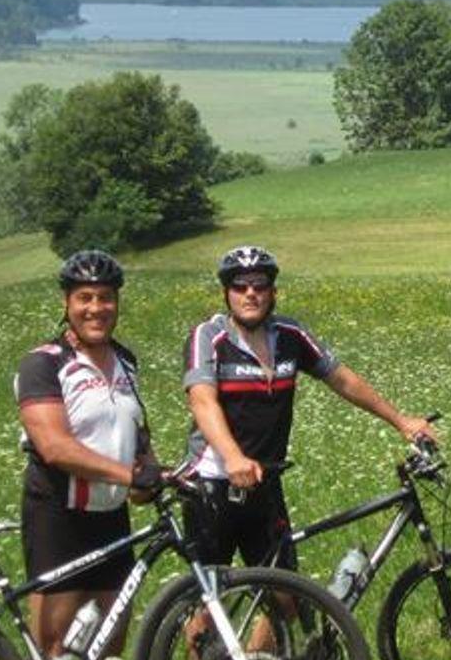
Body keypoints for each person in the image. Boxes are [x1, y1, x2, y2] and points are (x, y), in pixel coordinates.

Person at [180, 245, 433, 575]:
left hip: (264, 481)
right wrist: (232, 457)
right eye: (239, 286)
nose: (250, 294)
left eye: (259, 285)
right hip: (212, 481)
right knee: (208, 593)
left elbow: (342, 379)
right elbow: (202, 401)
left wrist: (401, 422)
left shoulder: (290, 335)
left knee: (285, 592)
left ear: (273, 292)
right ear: (226, 294)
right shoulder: (209, 336)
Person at [14, 248, 165, 660]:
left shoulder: (126, 361)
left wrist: (153, 475)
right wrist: (128, 475)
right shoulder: (43, 364)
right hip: (59, 517)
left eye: (105, 298)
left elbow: (138, 435)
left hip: (112, 519)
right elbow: (54, 447)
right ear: (67, 303)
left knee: (108, 644)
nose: (96, 308)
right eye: (84, 298)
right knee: (51, 646)